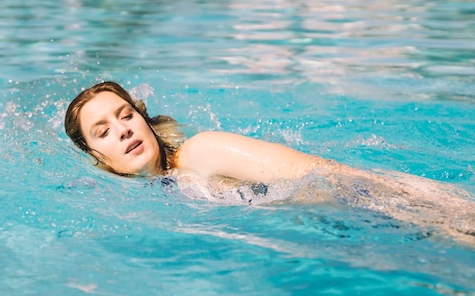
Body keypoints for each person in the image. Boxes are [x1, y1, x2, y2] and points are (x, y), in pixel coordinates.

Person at [65, 81, 475, 246]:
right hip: (341, 227)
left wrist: (415, 204)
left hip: (369, 203)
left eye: (125, 115)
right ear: (98, 158)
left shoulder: (200, 153)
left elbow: (320, 172)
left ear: (144, 118)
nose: (121, 130)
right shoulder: (149, 194)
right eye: (102, 131)